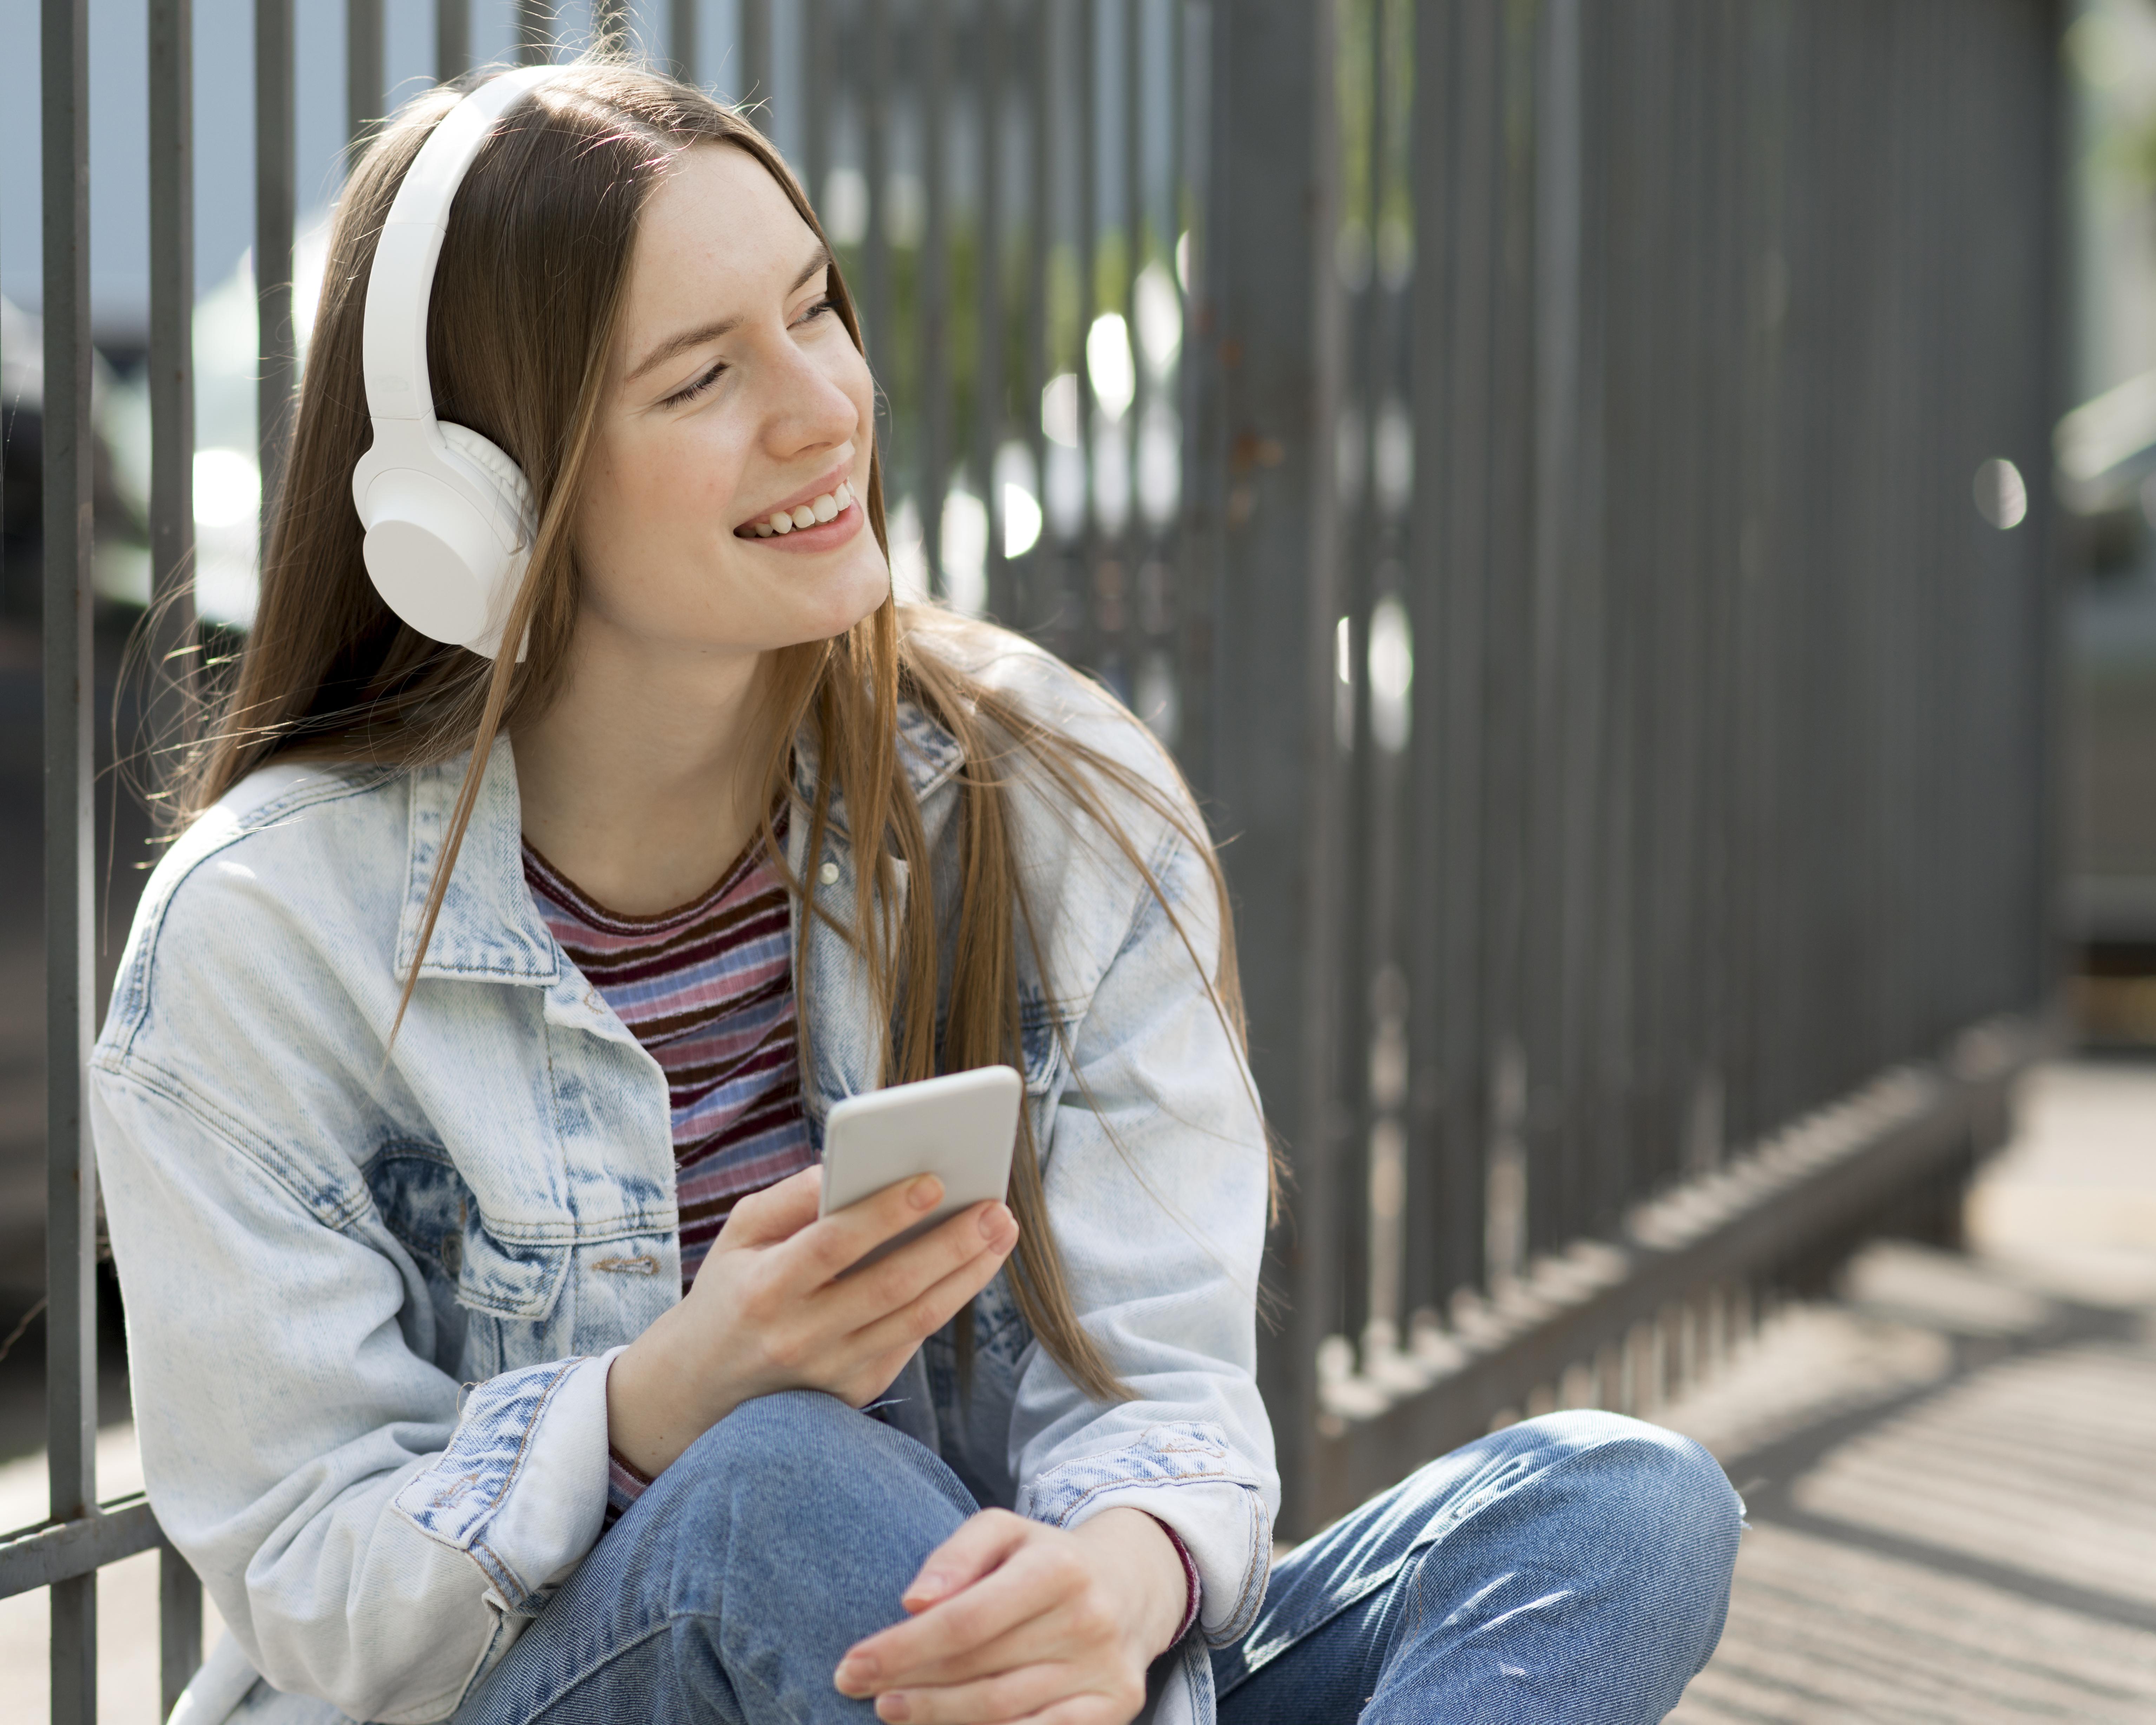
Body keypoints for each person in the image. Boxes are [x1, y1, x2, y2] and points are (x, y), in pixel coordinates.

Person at [98, 59, 1740, 1725]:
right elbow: (317, 1590)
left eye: (816, 310)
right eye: (701, 379)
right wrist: (660, 1403)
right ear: (486, 504)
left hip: (989, 1684)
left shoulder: (1039, 789)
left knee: (1613, 1507)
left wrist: (1120, 1574)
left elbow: (1161, 1382)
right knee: (776, 1485)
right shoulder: (264, 941)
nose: (821, 406)